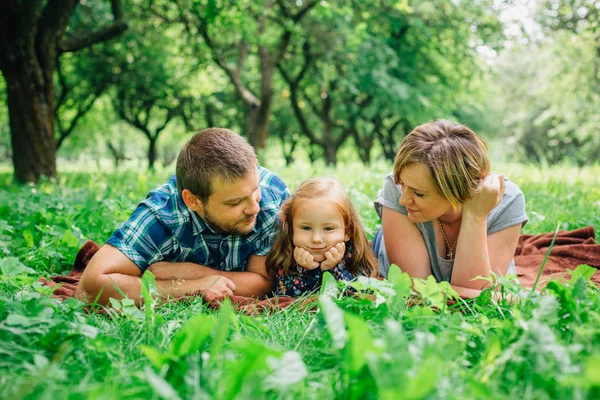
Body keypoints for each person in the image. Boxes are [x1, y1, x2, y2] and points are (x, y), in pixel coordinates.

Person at [75, 128, 290, 305]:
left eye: (254, 190)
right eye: (234, 202)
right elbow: (91, 286)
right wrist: (193, 286)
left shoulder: (271, 201)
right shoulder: (163, 214)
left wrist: (186, 271)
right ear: (193, 201)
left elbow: (263, 283)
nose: (254, 208)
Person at [373, 119, 528, 297]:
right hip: (391, 237)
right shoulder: (395, 187)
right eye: (403, 185)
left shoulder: (508, 201)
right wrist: (481, 295)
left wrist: (475, 215)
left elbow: (474, 296)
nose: (403, 200)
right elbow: (416, 290)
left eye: (419, 194)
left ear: (458, 191)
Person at [266, 177, 378, 297]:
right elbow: (282, 296)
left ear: (347, 231)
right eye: (306, 228)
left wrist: (335, 269)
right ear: (291, 229)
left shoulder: (355, 253)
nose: (316, 239)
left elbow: (364, 293)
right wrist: (307, 273)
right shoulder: (288, 254)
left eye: (328, 229)